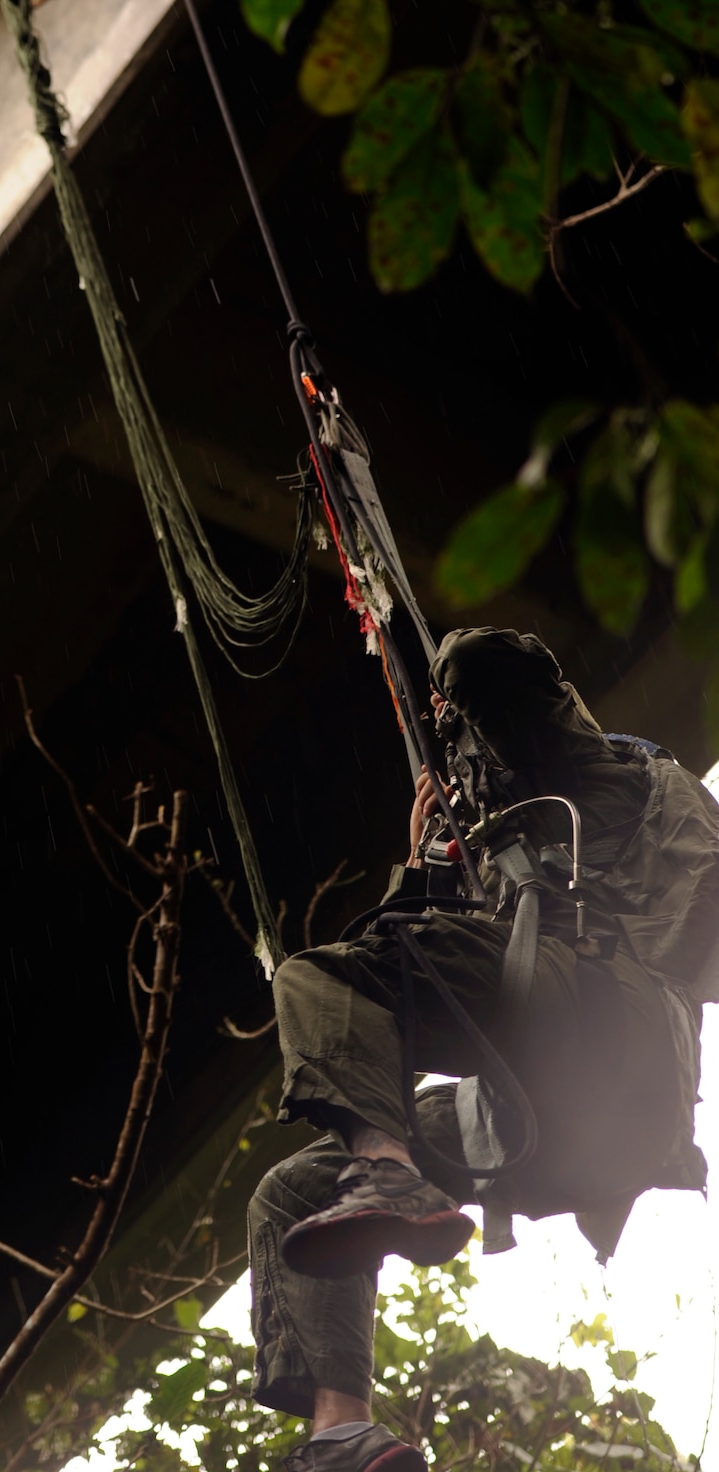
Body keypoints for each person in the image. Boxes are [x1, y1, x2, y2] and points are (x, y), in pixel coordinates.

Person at [248, 626, 719, 1472]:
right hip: (567, 1128)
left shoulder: (601, 782)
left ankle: (385, 1166)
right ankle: (341, 1433)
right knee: (292, 1192)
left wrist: (447, 691)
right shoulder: (501, 866)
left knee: (315, 978)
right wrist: (426, 857)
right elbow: (411, 957)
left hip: (611, 1022)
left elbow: (487, 669)